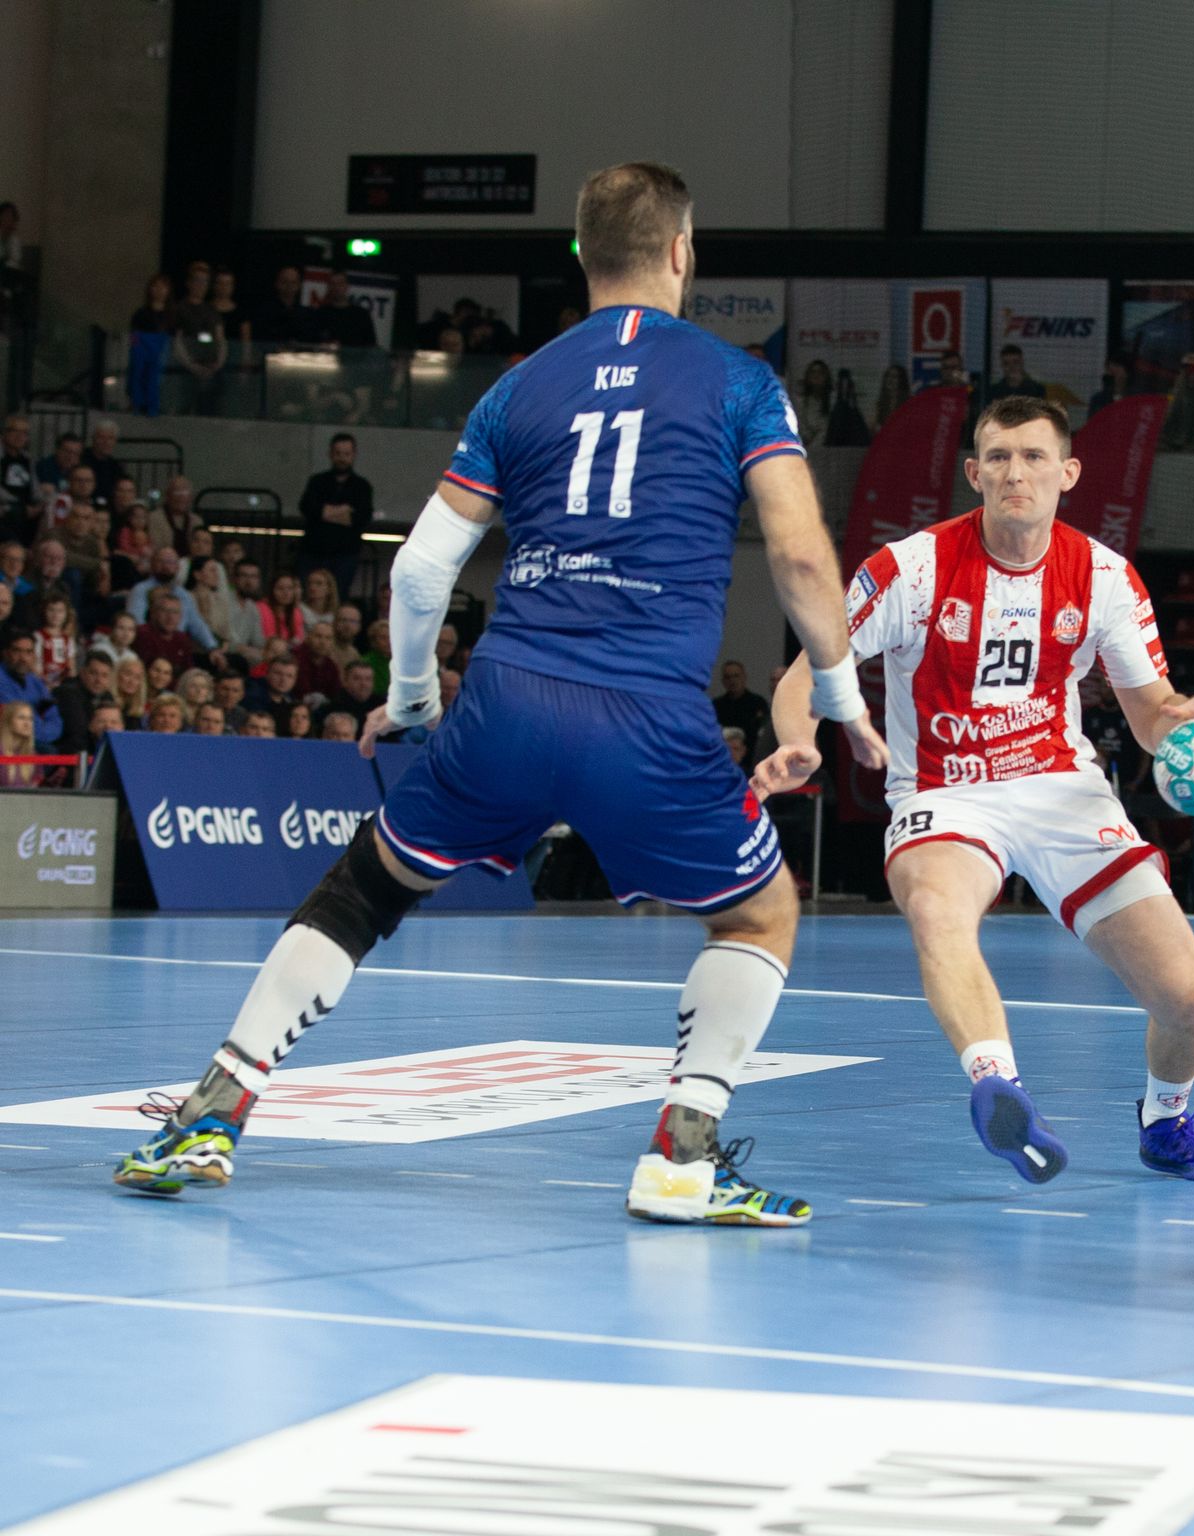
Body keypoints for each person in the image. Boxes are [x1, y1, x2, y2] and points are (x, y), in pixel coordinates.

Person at [117, 160, 887, 1231]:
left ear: (580, 254)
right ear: (681, 251)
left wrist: (413, 697)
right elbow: (800, 558)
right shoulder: (738, 382)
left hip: (508, 703)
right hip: (647, 717)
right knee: (758, 912)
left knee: (362, 889)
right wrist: (840, 697)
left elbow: (420, 570)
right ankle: (681, 1158)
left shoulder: (517, 386)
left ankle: (213, 1111)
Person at [761, 394, 1194, 1187]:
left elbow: (1152, 714)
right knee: (936, 909)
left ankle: (1166, 1123)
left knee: (1189, 1002)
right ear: (973, 472)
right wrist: (797, 741)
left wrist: (1193, 712)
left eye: (1032, 457)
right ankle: (1001, 1088)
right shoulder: (911, 569)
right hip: (945, 790)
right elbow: (806, 675)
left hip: (1061, 790)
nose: (1014, 472)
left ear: (1069, 472)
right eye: (997, 457)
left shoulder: (1105, 578)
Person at [297, 433, 375, 597]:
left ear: (354, 455)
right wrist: (344, 511)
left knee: (338, 596)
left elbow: (361, 517)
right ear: (331, 454)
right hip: (313, 550)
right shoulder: (317, 481)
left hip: (345, 553)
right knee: (308, 594)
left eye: (346, 454)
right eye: (338, 453)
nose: (342, 458)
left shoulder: (362, 486)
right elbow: (307, 508)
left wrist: (326, 512)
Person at [170, 260, 227, 414]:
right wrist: (191, 365)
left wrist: (219, 363)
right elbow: (177, 340)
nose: (201, 286)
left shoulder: (212, 310)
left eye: (205, 282)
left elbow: (220, 338)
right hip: (187, 370)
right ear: (189, 283)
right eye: (197, 281)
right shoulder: (179, 308)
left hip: (211, 367)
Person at [0, 631, 62, 745]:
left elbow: (54, 718)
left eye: (28, 652)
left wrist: (44, 734)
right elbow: (17, 722)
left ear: (34, 656)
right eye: (17, 651)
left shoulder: (35, 682)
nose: (23, 658)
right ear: (6, 653)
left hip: (41, 742)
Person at [128, 276, 176, 417]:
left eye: (163, 287)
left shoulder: (171, 315)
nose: (159, 290)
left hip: (161, 353)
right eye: (156, 286)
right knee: (139, 376)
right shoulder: (141, 313)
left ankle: (154, 406)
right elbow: (134, 336)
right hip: (141, 351)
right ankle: (138, 404)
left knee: (155, 379)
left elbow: (174, 337)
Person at [1160, 353, 1194, 453]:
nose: (1191, 372)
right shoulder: (1171, 394)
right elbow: (1166, 419)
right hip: (1171, 446)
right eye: (1187, 369)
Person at [712, 659, 769, 751]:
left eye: (736, 676)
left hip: (752, 754)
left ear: (744, 677)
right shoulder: (716, 705)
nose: (732, 681)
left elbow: (763, 734)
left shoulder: (758, 703)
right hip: (723, 753)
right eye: (728, 677)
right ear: (723, 681)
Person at [146, 476, 205, 557]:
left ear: (191, 497)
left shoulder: (197, 521)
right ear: (168, 495)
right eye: (177, 492)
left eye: (185, 492)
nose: (181, 497)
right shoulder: (154, 518)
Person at [792, 358, 832, 448]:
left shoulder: (832, 401)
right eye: (813, 372)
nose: (816, 375)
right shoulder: (800, 401)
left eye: (820, 373)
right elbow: (800, 426)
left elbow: (825, 430)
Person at [0, 700, 42, 785]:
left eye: (30, 719)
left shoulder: (33, 755)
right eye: (21, 718)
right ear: (8, 722)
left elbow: (34, 789)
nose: (27, 723)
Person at [873, 364, 910, 430]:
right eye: (887, 376)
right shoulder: (881, 403)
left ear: (901, 380)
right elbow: (874, 425)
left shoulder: (908, 402)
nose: (890, 379)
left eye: (894, 377)